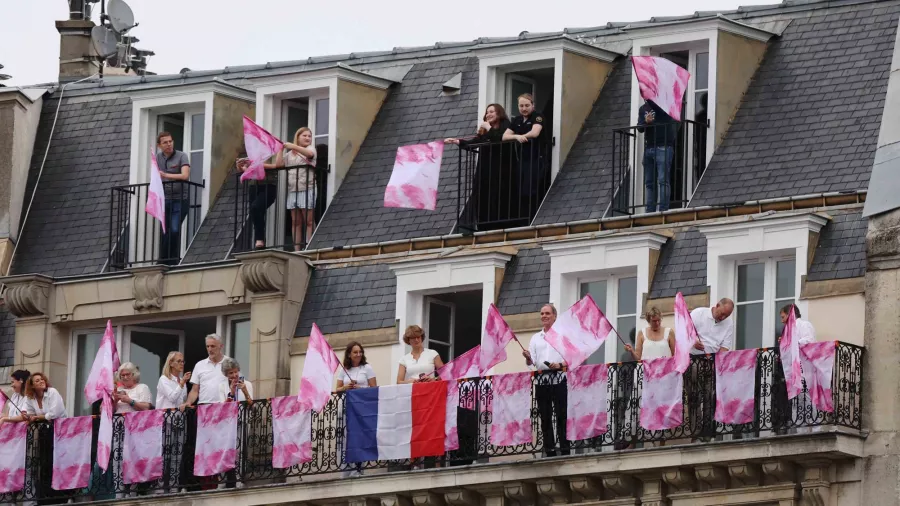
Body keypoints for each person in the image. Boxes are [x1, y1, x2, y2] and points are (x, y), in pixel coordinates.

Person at [446, 104, 513, 227]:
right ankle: (483, 223)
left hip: (501, 168)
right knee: (482, 195)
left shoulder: (507, 127)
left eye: (492, 111)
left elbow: (500, 139)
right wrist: (457, 141)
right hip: (485, 168)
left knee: (498, 195)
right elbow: (475, 143)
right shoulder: (485, 132)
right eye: (487, 112)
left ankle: (498, 223)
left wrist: (488, 128)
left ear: (499, 113)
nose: (488, 114)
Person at [522, 303, 569, 457]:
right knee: (545, 417)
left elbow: (571, 358)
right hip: (542, 381)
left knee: (562, 416)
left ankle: (565, 450)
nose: (544, 316)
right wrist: (528, 358)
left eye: (547, 313)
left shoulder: (562, 335)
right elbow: (532, 363)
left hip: (559, 379)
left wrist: (560, 364)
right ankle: (550, 451)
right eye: (542, 313)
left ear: (554, 316)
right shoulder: (536, 338)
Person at [266, 127, 318, 251]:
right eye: (304, 135)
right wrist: (280, 149)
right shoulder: (289, 155)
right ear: (298, 137)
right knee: (296, 222)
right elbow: (278, 165)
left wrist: (293, 146)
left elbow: (310, 155)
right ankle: (297, 250)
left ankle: (310, 246)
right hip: (293, 190)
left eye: (309, 136)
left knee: (309, 221)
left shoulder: (310, 149)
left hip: (307, 188)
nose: (307, 138)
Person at [503, 94, 547, 221]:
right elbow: (505, 136)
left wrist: (523, 136)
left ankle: (532, 217)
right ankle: (523, 217)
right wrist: (517, 137)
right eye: (521, 106)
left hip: (536, 157)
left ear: (533, 105)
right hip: (522, 158)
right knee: (521, 188)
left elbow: (535, 132)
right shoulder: (517, 120)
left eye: (527, 105)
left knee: (532, 186)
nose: (524, 108)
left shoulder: (537, 116)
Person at [636, 100, 679, 213]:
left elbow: (669, 115)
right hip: (649, 147)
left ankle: (663, 209)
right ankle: (650, 210)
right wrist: (646, 121)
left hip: (663, 146)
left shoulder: (664, 104)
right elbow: (639, 128)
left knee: (662, 180)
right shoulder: (643, 108)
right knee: (650, 182)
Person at [155, 131, 192, 264]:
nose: (169, 144)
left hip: (180, 198)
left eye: (170, 141)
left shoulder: (182, 156)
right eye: (165, 142)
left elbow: (185, 176)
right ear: (159, 145)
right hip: (165, 199)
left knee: (175, 230)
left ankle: (168, 259)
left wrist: (165, 175)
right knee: (166, 230)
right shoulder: (158, 158)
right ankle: (167, 260)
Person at [181, 334, 230, 410]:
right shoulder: (199, 365)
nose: (210, 349)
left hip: (224, 407)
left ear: (221, 346)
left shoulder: (230, 363)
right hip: (204, 408)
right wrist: (188, 402)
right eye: (208, 346)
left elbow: (237, 384)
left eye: (213, 346)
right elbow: (194, 390)